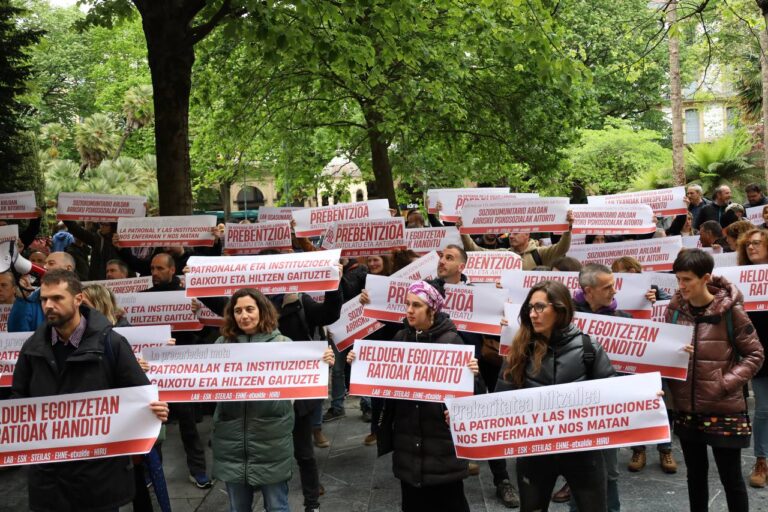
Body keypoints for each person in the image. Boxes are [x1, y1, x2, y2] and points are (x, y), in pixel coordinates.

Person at [11, 269, 169, 511]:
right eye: (44, 299)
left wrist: (155, 410)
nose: (48, 305)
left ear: (78, 299)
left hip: (98, 479)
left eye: (57, 298)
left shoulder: (111, 343)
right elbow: (18, 400)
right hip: (50, 482)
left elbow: (140, 394)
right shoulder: (32, 347)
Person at [349, 280, 479, 512]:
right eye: (407, 304)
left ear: (432, 309)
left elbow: (472, 396)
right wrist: (359, 362)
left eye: (416, 305)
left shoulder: (451, 341)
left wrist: (474, 375)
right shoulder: (400, 338)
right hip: (408, 445)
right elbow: (381, 378)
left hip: (441, 449)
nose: (409, 310)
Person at [496, 280, 616, 512]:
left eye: (540, 307)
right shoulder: (519, 350)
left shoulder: (588, 347)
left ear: (560, 309)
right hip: (534, 454)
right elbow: (500, 401)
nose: (533, 314)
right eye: (530, 308)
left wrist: (647, 399)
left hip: (582, 453)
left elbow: (613, 394)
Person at [211, 288, 334, 512]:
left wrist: (322, 361)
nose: (244, 316)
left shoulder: (283, 344)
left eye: (250, 309)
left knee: (277, 506)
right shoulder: (221, 345)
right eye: (238, 311)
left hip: (271, 444)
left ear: (262, 310)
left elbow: (304, 384)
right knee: (238, 508)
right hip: (231, 445)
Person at [666, 249, 763, 512]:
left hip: (724, 409)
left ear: (705, 278)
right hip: (687, 409)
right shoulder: (674, 310)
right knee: (695, 476)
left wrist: (724, 384)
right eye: (678, 279)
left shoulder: (731, 311)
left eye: (687, 279)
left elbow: (755, 354)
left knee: (731, 479)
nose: (681, 285)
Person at [143, 252, 213, 489]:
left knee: (187, 420)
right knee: (154, 420)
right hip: (152, 367)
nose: (155, 273)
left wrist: (197, 315)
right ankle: (153, 471)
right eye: (152, 268)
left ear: (172, 270)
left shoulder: (187, 295)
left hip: (180, 366)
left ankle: (198, 470)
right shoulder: (143, 297)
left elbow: (205, 331)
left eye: (160, 268)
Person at [735, 229, 768, 488]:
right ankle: (762, 460)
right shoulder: (739, 280)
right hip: (759, 352)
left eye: (756, 243)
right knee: (764, 409)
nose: (751, 248)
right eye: (747, 245)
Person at [458, 211, 574, 270]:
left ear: (527, 235)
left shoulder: (540, 253)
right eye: (510, 233)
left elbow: (562, 248)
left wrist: (568, 230)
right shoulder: (505, 254)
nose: (511, 236)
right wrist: (463, 232)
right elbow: (475, 251)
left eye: (516, 233)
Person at [8, 251, 76, 332]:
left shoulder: (83, 297)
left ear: (68, 269)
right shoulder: (32, 298)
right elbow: (16, 332)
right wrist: (21, 300)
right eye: (45, 263)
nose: (44, 266)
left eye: (51, 263)